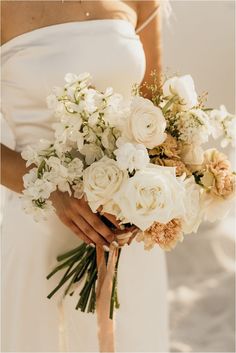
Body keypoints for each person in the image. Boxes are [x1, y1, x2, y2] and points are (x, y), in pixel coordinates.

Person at [1, 1, 169, 351]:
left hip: (126, 226)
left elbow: (156, 109)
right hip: (39, 229)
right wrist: (48, 188)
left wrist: (146, 189)